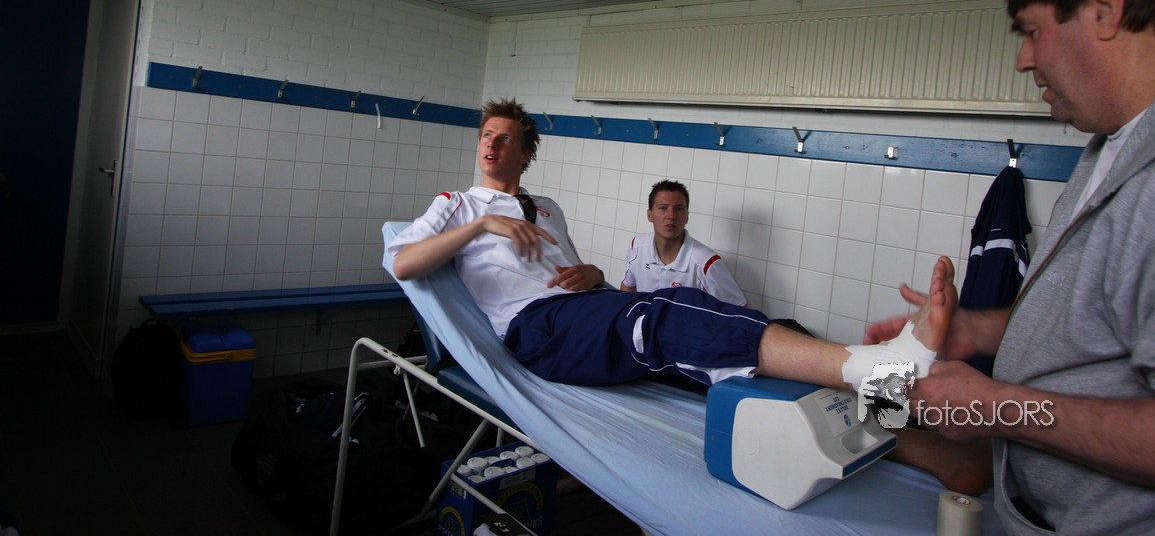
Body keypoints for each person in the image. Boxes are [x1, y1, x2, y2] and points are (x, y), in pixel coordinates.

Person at [866, 0, 1155, 534]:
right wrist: (979, 330)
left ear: (1105, 12)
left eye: (1031, 31)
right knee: (877, 396)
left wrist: (999, 408)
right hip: (1043, 510)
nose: (1023, 59)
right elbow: (1102, 318)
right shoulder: (1109, 149)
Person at [389, 97, 956, 395]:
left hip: (584, 306)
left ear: (526, 153)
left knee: (714, 342)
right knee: (659, 317)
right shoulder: (458, 206)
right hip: (536, 328)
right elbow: (401, 262)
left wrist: (592, 273)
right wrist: (479, 228)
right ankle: (877, 366)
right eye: (487, 136)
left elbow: (575, 270)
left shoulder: (548, 208)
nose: (492, 145)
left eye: (506, 138)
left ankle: (909, 426)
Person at [620, 180, 747, 306]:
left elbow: (740, 309)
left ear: (687, 217)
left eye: (679, 209)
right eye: (663, 208)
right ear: (650, 215)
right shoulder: (637, 245)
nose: (671, 216)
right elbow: (627, 287)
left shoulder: (706, 262)